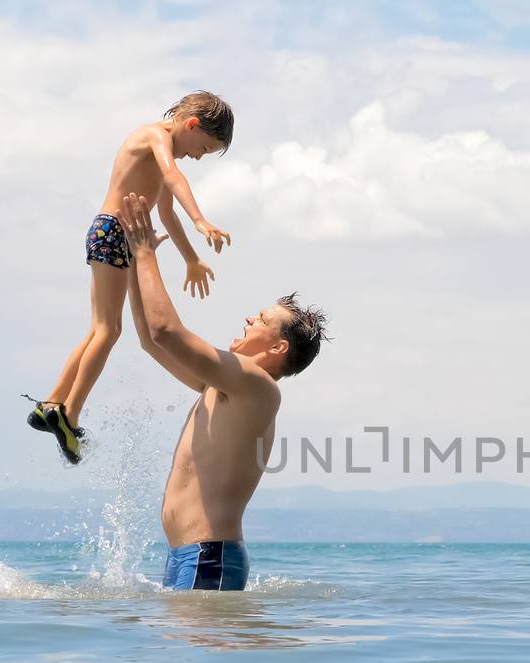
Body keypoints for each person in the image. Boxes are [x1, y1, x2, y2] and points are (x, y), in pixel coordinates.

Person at [117, 191, 329, 591]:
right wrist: (132, 263)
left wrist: (146, 253)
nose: (250, 317)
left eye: (262, 319)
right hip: (188, 555)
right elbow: (150, 339)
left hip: (208, 556)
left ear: (278, 347)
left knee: (191, 654)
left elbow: (168, 332)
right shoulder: (227, 388)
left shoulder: (257, 387)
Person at [25, 91, 235, 464]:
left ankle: (52, 404)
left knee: (99, 329)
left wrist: (190, 259)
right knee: (108, 330)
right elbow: (173, 176)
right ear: (191, 125)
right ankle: (68, 418)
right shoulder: (155, 136)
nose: (194, 156)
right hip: (111, 231)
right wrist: (201, 220)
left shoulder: (162, 150)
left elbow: (166, 212)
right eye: (201, 148)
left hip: (117, 235)